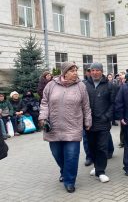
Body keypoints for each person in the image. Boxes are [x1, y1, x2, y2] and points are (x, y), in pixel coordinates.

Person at [39, 62, 92, 193]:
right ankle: (64, 170)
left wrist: (88, 121)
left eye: (76, 70)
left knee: (71, 156)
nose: (75, 73)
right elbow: (44, 102)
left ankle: (69, 181)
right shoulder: (51, 85)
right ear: (65, 72)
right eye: (72, 70)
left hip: (73, 126)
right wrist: (42, 117)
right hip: (54, 127)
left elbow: (86, 105)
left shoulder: (81, 86)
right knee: (57, 154)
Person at [84, 62, 116, 183]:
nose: (95, 72)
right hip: (89, 123)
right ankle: (96, 166)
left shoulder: (109, 85)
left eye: (97, 70)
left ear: (101, 71)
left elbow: (113, 103)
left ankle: (101, 171)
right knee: (91, 146)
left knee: (102, 147)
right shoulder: (85, 85)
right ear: (90, 72)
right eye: (93, 70)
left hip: (103, 122)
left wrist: (107, 116)